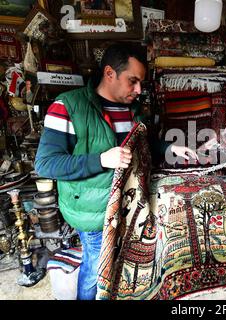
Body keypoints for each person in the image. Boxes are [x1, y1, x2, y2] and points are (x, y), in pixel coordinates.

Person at [34, 43, 197, 300]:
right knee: (98, 269)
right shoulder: (67, 106)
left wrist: (170, 148)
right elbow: (46, 163)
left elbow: (141, 147)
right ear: (109, 73)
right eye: (132, 81)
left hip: (130, 205)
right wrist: (101, 159)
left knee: (121, 265)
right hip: (94, 211)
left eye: (140, 83)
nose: (138, 90)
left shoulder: (132, 111)